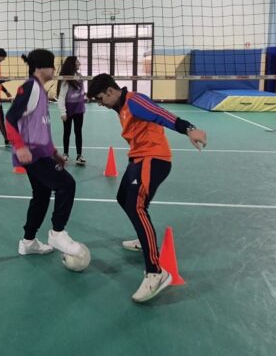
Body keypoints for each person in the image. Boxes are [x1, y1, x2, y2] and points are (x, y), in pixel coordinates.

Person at [87, 73, 207, 303]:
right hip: (139, 159)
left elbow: (162, 115)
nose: (100, 104)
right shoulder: (120, 106)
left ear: (111, 92)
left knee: (136, 205)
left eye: (101, 98)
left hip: (154, 159)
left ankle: (156, 272)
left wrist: (190, 129)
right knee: (124, 198)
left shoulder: (134, 100)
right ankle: (145, 239)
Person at [5, 49, 84, 258]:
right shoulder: (30, 87)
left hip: (41, 153)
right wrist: (20, 146)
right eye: (52, 65)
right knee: (67, 184)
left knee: (41, 196)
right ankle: (58, 232)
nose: (55, 69)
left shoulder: (40, 90)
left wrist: (54, 152)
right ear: (42, 67)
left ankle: (28, 241)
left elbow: (40, 128)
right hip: (31, 154)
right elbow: (10, 119)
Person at [56, 56, 87, 165]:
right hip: (68, 110)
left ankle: (79, 156)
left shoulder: (80, 77)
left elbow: (82, 92)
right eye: (77, 62)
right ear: (72, 64)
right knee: (67, 132)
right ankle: (65, 154)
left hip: (79, 109)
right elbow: (61, 97)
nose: (79, 64)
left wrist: (85, 98)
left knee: (78, 132)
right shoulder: (66, 79)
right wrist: (63, 112)